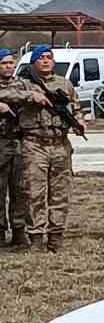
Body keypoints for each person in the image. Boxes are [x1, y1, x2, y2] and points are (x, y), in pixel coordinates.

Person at [0, 45, 84, 252]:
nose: (46, 61)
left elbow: (76, 106)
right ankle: (36, 237)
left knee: (60, 193)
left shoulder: (63, 83)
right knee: (33, 193)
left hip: (60, 144)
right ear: (33, 62)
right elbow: (6, 93)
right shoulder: (24, 83)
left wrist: (80, 121)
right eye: (41, 58)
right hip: (34, 144)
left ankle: (56, 237)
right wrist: (31, 96)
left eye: (49, 57)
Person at [0, 49, 29, 248]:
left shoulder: (23, 84)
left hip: (19, 141)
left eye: (11, 62)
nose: (8, 66)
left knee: (20, 189)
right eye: (4, 63)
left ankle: (19, 230)